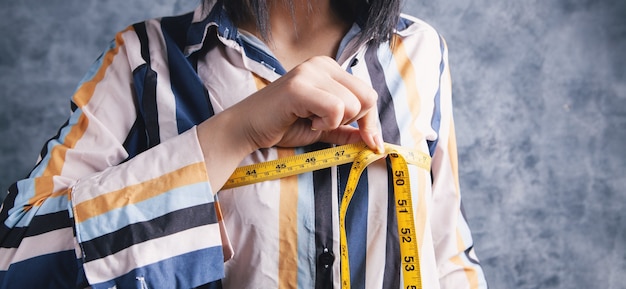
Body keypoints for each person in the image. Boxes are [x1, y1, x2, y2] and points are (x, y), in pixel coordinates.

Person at [0, 0, 488, 288]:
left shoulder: (422, 52)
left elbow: (446, 252)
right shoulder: (144, 61)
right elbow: (14, 260)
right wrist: (232, 134)